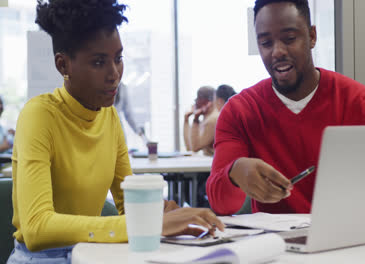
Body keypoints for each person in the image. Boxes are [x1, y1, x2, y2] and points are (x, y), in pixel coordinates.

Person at [8, 1, 223, 263]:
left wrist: (166, 214)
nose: (114, 74)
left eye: (118, 58)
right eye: (99, 62)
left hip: (94, 252)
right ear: (63, 66)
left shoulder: (107, 115)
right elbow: (36, 228)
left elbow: (127, 204)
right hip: (42, 258)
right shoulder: (39, 115)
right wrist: (149, 225)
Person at [206, 0, 365, 236]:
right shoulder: (239, 111)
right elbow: (221, 205)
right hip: (278, 249)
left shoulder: (363, 105)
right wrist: (235, 173)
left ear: (312, 36)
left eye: (289, 39)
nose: (277, 51)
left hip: (353, 242)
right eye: (266, 43)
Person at [183, 86, 219, 156]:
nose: (195, 101)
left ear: (206, 101)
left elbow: (194, 148)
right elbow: (189, 148)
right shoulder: (207, 118)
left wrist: (196, 120)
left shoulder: (213, 120)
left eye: (197, 98)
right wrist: (186, 120)